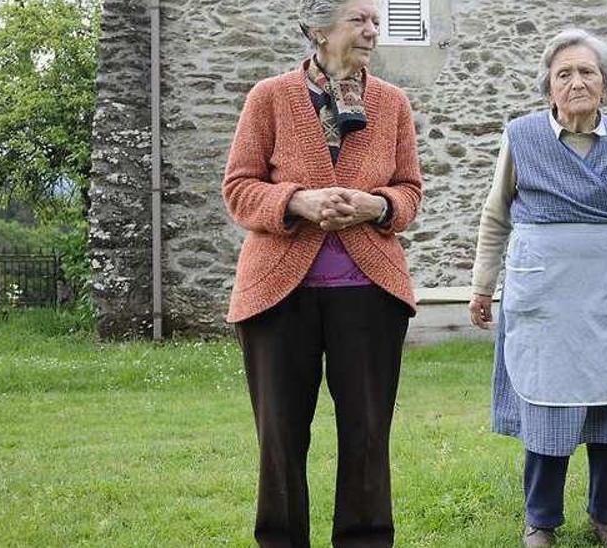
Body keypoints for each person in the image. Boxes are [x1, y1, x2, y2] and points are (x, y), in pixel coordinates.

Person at [221, 0, 423, 545]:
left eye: (376, 21)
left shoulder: (393, 104)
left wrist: (375, 206)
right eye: (359, 19)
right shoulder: (269, 98)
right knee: (281, 439)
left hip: (369, 294)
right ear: (318, 28)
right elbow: (239, 188)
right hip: (278, 296)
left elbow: (409, 192)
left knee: (366, 435)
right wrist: (297, 202)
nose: (372, 30)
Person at [467, 28, 607, 548]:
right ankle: (541, 521)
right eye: (565, 74)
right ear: (549, 88)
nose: (577, 82)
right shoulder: (521, 136)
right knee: (548, 407)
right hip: (545, 295)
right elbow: (495, 216)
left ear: (604, 83)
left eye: (588, 72)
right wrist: (482, 286)